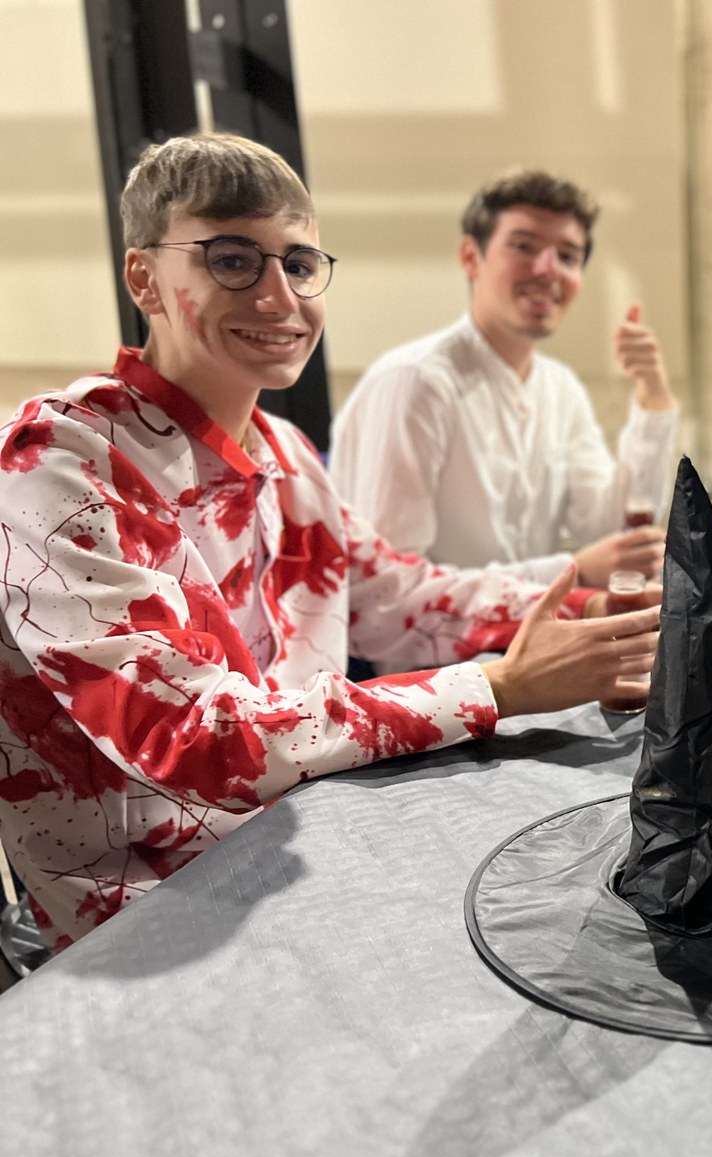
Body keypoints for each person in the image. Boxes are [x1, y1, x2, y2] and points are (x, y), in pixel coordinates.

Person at [0, 134, 660, 952]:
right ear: (145, 278)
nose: (279, 297)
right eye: (233, 260)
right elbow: (194, 738)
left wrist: (600, 612)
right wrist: (498, 687)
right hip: (149, 916)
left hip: (309, 836)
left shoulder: (283, 452)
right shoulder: (58, 461)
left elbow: (398, 597)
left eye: (300, 264)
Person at [328, 168, 677, 592]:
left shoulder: (560, 388)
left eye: (568, 256)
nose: (547, 270)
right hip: (441, 639)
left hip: (532, 627)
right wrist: (571, 572)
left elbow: (611, 532)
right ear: (471, 258)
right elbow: (385, 587)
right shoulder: (416, 383)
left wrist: (653, 397)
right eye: (524, 246)